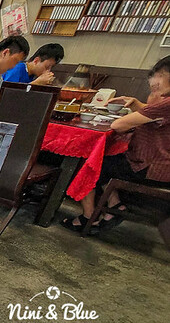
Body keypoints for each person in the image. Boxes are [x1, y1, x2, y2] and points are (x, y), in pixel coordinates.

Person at [61, 56, 170, 233]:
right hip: (158, 164)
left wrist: (137, 111)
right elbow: (156, 117)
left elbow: (117, 125)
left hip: (151, 167)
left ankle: (88, 217)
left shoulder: (167, 102)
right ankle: (115, 206)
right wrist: (136, 104)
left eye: (159, 76)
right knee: (107, 159)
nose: (155, 83)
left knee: (90, 164)